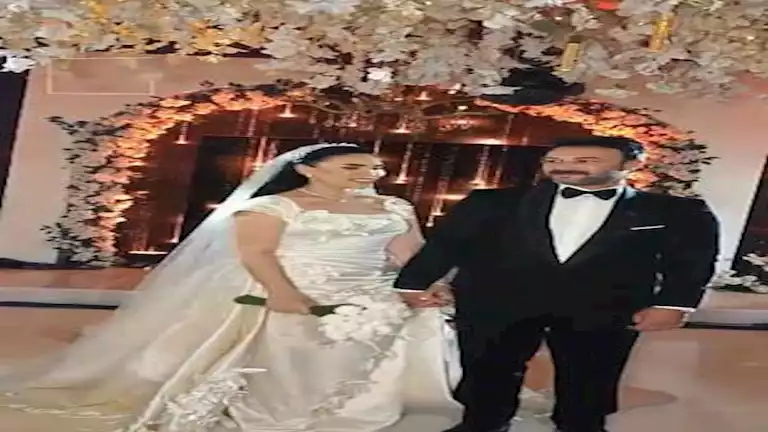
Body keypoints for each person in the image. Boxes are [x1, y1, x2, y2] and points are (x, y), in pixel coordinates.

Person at [0, 143, 465, 431]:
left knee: (413, 322)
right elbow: (257, 254)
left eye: (374, 169)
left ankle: (377, 407)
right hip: (291, 284)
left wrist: (427, 286)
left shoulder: (393, 207)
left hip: (373, 288)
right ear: (309, 169)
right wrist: (282, 293)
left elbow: (410, 253)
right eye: (353, 167)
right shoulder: (272, 206)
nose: (369, 175)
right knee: (291, 340)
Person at [395, 136, 720, 432]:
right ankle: (483, 423)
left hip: (605, 305)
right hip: (497, 299)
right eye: (554, 160)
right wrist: (414, 283)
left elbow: (691, 261)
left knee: (592, 373)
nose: (565, 166)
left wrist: (673, 304)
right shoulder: (491, 202)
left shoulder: (674, 210)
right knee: (487, 367)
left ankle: (580, 425)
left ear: (632, 164)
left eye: (585, 160)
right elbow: (447, 244)